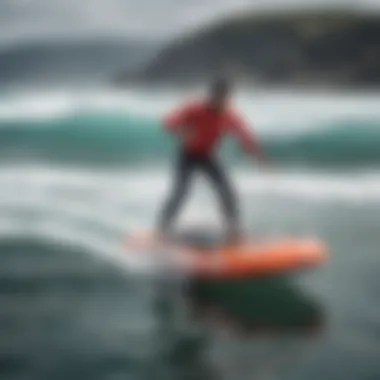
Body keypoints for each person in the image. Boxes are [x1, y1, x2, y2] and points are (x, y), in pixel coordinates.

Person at [158, 77, 267, 243]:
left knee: (227, 191)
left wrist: (259, 157)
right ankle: (163, 228)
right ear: (212, 95)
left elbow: (245, 136)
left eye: (226, 97)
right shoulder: (194, 108)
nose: (222, 101)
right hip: (188, 155)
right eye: (219, 96)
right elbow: (168, 123)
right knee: (180, 192)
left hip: (208, 156)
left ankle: (233, 229)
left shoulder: (229, 115)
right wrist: (182, 132)